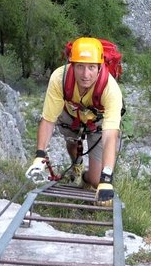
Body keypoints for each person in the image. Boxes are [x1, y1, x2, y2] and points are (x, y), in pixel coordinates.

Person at [26, 37, 123, 206]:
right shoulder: (59, 78)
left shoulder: (110, 88)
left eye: (91, 67)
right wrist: (39, 156)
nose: (86, 75)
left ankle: (84, 179)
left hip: (97, 123)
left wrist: (106, 178)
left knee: (95, 179)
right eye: (80, 67)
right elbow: (48, 120)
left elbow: (110, 136)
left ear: (100, 67)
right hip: (70, 115)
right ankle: (76, 163)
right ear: (72, 65)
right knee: (72, 144)